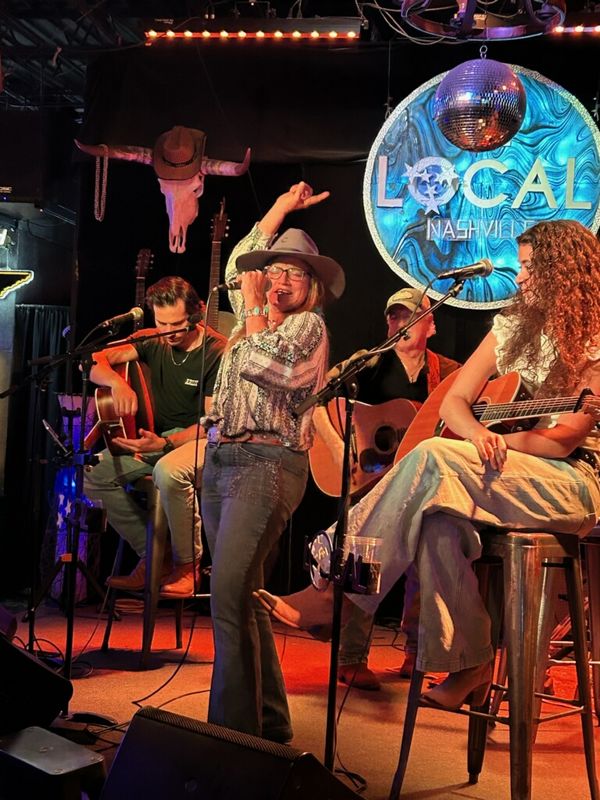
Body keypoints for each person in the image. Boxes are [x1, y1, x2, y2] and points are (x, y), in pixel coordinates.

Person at [255, 219, 600, 711]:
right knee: (437, 523)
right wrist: (479, 435)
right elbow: (455, 402)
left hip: (573, 481)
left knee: (435, 456)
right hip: (505, 469)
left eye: (529, 267)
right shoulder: (511, 327)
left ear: (560, 270)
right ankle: (469, 661)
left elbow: (564, 441)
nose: (520, 277)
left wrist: (498, 444)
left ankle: (334, 582)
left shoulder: (593, 337)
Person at [200, 182, 345, 742]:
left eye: (294, 274)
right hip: (222, 459)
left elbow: (266, 368)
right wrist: (282, 206)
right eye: (275, 270)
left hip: (268, 463)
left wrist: (257, 305)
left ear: (312, 286)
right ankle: (271, 723)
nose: (280, 280)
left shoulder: (308, 327)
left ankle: (232, 738)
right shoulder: (253, 311)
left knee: (229, 594)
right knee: (245, 596)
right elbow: (240, 259)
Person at [320, 288, 460, 690]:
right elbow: (318, 400)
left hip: (423, 482)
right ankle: (350, 657)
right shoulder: (369, 363)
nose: (402, 324)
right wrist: (338, 446)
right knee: (365, 553)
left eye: (411, 317)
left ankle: (418, 652)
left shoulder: (449, 372)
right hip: (371, 479)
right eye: (395, 317)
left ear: (431, 325)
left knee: (429, 555)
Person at [84, 276, 225, 598]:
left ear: (197, 313)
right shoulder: (153, 339)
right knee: (93, 473)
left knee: (168, 472)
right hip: (155, 442)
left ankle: (188, 566)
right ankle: (154, 557)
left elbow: (211, 424)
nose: (169, 332)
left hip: (197, 445)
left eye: (177, 324)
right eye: (162, 323)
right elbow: (92, 360)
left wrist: (165, 444)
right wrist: (117, 384)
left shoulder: (218, 352)